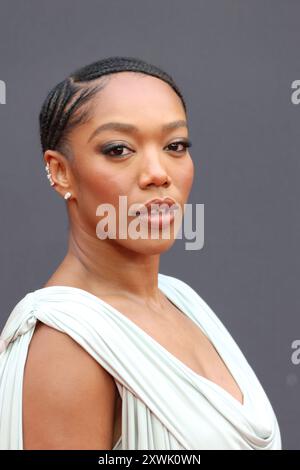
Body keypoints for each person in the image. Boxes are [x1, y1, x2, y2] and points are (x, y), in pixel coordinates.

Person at [0, 56, 282, 450]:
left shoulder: (183, 302)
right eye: (119, 149)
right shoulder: (68, 342)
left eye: (175, 145)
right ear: (61, 171)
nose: (158, 173)